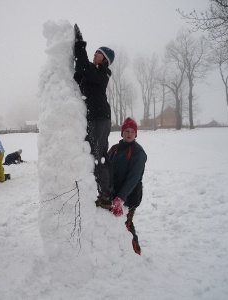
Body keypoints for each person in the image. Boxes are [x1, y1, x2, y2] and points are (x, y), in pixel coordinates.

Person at [73, 24, 115, 204]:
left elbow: (84, 68)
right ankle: (102, 190)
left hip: (100, 117)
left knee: (98, 155)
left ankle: (106, 194)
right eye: (95, 52)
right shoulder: (94, 71)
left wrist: (81, 44)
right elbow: (80, 73)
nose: (95, 54)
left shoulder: (102, 73)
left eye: (98, 53)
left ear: (105, 59)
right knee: (95, 153)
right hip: (94, 118)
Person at [104, 118, 147, 255]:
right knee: (116, 223)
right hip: (114, 194)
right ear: (122, 133)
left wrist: (121, 198)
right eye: (126, 131)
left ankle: (135, 253)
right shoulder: (114, 149)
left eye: (132, 132)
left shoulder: (138, 152)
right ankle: (119, 250)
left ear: (136, 134)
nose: (129, 134)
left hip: (129, 196)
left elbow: (134, 177)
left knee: (127, 224)